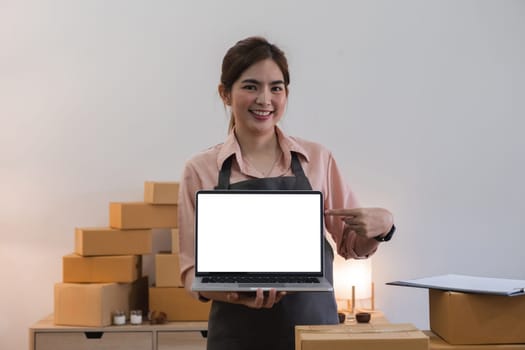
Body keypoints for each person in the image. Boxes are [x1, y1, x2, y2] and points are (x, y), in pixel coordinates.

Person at [178, 36, 395, 350]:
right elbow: (190, 273)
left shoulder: (318, 159)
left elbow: (351, 245)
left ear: (286, 93)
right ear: (225, 93)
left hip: (314, 334)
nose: (265, 99)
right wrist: (237, 292)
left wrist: (383, 227)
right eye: (251, 86)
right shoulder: (200, 170)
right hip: (237, 336)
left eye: (276, 88)